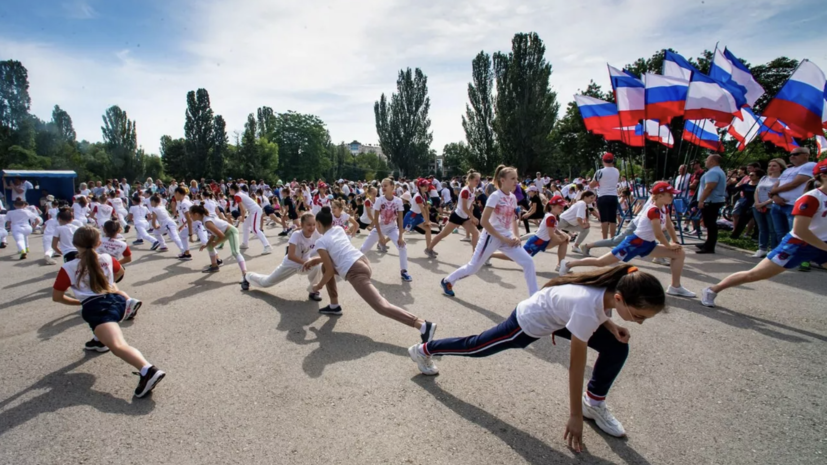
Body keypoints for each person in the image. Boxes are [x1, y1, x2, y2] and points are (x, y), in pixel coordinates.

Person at [409, 264, 666, 448]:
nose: (639, 323)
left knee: (617, 346)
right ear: (620, 299)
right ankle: (424, 350)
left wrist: (611, 326)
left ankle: (594, 403)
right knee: (476, 347)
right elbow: (576, 366)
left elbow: (596, 310)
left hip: (560, 317)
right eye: (639, 316)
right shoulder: (590, 306)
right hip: (527, 322)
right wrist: (574, 416)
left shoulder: (612, 288)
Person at [51, 226, 164, 398]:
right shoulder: (107, 258)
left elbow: (57, 297)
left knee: (118, 345)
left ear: (75, 244)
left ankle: (147, 370)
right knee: (105, 329)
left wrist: (78, 302)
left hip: (98, 309)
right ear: (98, 243)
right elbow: (119, 272)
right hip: (117, 301)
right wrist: (109, 282)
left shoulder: (68, 267)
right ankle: (99, 341)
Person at [702, 159, 827, 306]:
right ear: (823, 176)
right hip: (798, 245)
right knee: (754, 275)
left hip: (821, 245)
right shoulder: (811, 198)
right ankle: (712, 289)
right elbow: (800, 230)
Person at [312, 206, 437, 339]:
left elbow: (330, 271)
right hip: (363, 261)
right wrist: (316, 260)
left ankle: (422, 325)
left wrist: (318, 286)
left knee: (381, 306)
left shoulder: (321, 241)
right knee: (324, 267)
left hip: (355, 271)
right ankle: (334, 305)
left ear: (318, 224)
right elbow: (333, 259)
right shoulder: (338, 229)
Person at [559, 182, 696, 298]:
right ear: (660, 196)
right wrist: (669, 245)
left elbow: (669, 226)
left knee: (679, 253)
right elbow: (659, 234)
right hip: (634, 243)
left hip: (647, 244)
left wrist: (676, 242)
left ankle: (675, 286)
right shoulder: (653, 210)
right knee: (601, 262)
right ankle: (568, 264)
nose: (673, 197)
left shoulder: (664, 208)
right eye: (670, 194)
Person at [441, 165, 538, 297]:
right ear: (502, 180)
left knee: (528, 262)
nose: (516, 181)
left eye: (517, 178)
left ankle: (534, 297)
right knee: (473, 268)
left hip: (507, 236)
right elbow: (484, 222)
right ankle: (448, 281)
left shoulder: (513, 198)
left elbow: (514, 219)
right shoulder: (495, 196)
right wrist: (503, 238)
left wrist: (516, 236)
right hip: (490, 236)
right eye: (513, 178)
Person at [245, 212, 324, 300]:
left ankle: (313, 291)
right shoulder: (296, 235)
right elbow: (291, 256)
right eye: (309, 225)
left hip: (304, 265)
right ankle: (248, 276)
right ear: (302, 225)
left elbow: (326, 242)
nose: (312, 227)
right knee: (266, 283)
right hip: (290, 264)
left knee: (317, 266)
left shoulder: (316, 234)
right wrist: (307, 262)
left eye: (314, 224)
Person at [768, 147, 817, 271]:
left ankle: (804, 261)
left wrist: (774, 192)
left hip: (795, 206)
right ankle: (783, 257)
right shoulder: (788, 170)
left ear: (806, 155)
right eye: (790, 154)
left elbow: (796, 183)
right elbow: (776, 184)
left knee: (798, 234)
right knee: (781, 233)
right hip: (778, 205)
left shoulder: (810, 165)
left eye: (796, 154)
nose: (792, 156)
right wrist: (774, 196)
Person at [359, 178, 412, 282]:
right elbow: (376, 219)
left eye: (385, 185)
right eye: (382, 186)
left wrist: (401, 236)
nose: (383, 187)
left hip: (392, 228)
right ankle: (350, 264)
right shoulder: (379, 200)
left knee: (403, 246)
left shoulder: (398, 201)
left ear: (392, 187)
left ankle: (404, 271)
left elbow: (400, 220)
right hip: (379, 227)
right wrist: (381, 236)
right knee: (364, 248)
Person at [189, 205, 249, 288]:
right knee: (209, 246)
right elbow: (214, 233)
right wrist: (207, 244)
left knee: (235, 252)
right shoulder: (204, 220)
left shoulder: (207, 222)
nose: (190, 216)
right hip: (224, 232)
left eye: (190, 214)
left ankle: (245, 275)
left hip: (231, 231)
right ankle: (214, 266)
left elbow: (221, 235)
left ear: (196, 214)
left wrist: (215, 243)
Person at [429, 170, 481, 253]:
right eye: (476, 180)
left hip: (465, 217)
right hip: (457, 216)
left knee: (475, 233)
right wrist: (472, 217)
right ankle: (429, 248)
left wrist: (471, 217)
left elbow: (470, 205)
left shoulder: (473, 190)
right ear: (470, 180)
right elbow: (464, 207)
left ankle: (475, 256)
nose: (478, 182)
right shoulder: (465, 191)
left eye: (479, 180)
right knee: (444, 234)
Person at [751, 159, 785, 258]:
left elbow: (776, 195)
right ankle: (762, 248)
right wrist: (757, 203)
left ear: (780, 167)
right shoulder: (764, 178)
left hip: (770, 206)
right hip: (757, 206)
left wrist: (764, 204)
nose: (771, 167)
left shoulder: (781, 180)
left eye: (774, 166)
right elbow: (757, 190)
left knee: (772, 229)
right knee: (762, 228)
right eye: (770, 165)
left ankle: (773, 249)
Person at [695, 154, 727, 254]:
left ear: (713, 161)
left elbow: (709, 187)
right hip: (713, 201)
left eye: (707, 160)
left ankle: (709, 247)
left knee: (710, 224)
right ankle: (708, 243)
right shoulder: (717, 171)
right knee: (710, 224)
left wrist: (701, 200)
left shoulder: (713, 172)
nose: (705, 161)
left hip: (710, 201)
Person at [230, 184, 272, 255]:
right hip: (254, 210)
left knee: (255, 229)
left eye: (229, 190)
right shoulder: (240, 194)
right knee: (245, 226)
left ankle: (267, 246)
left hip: (255, 210)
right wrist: (243, 218)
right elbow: (244, 209)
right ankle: (245, 243)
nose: (229, 191)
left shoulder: (237, 195)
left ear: (232, 190)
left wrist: (242, 218)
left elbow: (242, 210)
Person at [590, 152, 621, 239]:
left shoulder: (600, 172)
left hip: (603, 196)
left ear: (603, 161)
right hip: (613, 196)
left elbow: (592, 185)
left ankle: (604, 238)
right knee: (612, 219)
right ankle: (612, 238)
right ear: (612, 161)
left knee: (604, 219)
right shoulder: (616, 171)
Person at [405, 179, 436, 258]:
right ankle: (383, 242)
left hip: (418, 216)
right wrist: (427, 221)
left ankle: (429, 249)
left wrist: (428, 221)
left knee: (428, 229)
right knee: (401, 231)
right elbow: (422, 210)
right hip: (411, 216)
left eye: (427, 185)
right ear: (420, 187)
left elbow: (426, 209)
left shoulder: (424, 195)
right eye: (424, 186)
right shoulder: (418, 196)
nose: (426, 187)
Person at [730, 169, 761, 240]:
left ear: (758, 176)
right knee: (742, 220)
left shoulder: (760, 186)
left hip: (756, 204)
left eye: (752, 175)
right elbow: (734, 189)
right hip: (746, 204)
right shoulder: (745, 185)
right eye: (749, 175)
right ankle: (735, 235)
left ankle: (755, 236)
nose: (750, 176)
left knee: (757, 222)